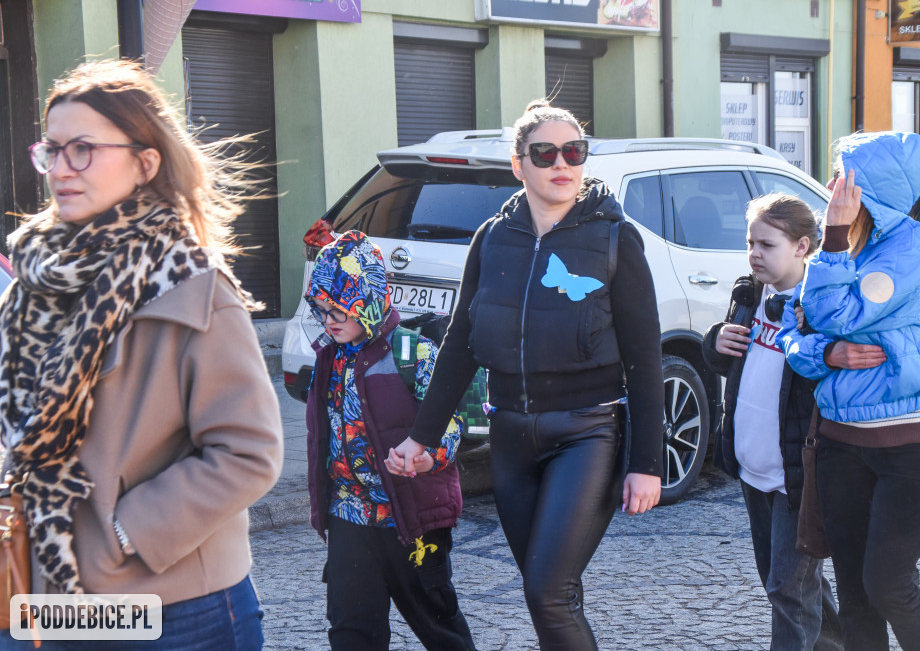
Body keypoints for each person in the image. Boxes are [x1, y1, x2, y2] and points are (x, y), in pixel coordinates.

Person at [0, 60, 283, 648]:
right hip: (41, 590)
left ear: (145, 162)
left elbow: (249, 452)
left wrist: (123, 532)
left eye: (83, 149)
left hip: (173, 607)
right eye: (51, 150)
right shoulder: (36, 279)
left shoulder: (194, 287)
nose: (60, 169)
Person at [388, 99, 664, 650]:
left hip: (587, 433)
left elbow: (644, 358)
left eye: (573, 151)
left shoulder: (614, 238)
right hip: (510, 436)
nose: (561, 163)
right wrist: (421, 436)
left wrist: (647, 464)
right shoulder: (491, 238)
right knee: (553, 590)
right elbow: (460, 346)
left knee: (547, 591)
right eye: (545, 153)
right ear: (519, 165)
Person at [778, 131, 920, 650]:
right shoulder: (847, 244)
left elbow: (830, 312)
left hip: (910, 445)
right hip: (841, 443)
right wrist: (827, 353)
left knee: (889, 585)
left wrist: (832, 239)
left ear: (870, 189)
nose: (833, 186)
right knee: (856, 594)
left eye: (843, 176)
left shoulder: (905, 247)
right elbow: (800, 329)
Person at [303, 230, 475, 651]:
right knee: (351, 632)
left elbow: (453, 424)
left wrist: (426, 458)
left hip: (412, 519)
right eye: (321, 309)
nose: (329, 319)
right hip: (349, 515)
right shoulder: (329, 358)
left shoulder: (411, 353)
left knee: (439, 627)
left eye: (339, 308)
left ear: (369, 299)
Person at [704, 193, 842, 651]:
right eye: (750, 243)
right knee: (789, 582)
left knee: (788, 587)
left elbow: (821, 379)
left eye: (766, 244)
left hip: (795, 475)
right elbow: (733, 365)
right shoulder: (748, 293)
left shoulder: (817, 305)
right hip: (753, 466)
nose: (754, 254)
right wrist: (715, 342)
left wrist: (808, 337)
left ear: (802, 247)